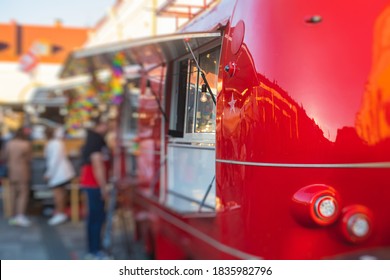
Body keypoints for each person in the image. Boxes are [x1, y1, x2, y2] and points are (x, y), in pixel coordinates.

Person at [79, 116, 111, 259]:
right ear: (101, 124)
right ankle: (95, 251)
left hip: (91, 183)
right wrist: (104, 187)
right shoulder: (96, 139)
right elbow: (97, 164)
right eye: (107, 124)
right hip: (94, 184)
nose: (109, 127)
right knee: (96, 218)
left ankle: (94, 249)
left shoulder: (93, 138)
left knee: (94, 217)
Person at [44, 127, 76, 226]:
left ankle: (60, 213)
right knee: (61, 193)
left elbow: (54, 160)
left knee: (58, 194)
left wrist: (49, 173)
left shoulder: (55, 143)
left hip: (59, 174)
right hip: (61, 173)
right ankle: (60, 213)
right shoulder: (57, 143)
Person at [3, 128, 32, 227]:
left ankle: (13, 216)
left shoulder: (9, 144)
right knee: (23, 193)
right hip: (23, 170)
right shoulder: (26, 144)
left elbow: (4, 157)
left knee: (13, 193)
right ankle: (20, 216)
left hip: (11, 171)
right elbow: (29, 159)